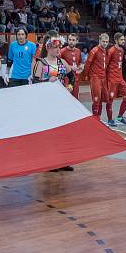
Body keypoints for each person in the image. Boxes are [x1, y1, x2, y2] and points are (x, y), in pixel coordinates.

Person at [32, 35, 76, 172]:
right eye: (55, 47)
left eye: (59, 47)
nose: (58, 49)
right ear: (48, 48)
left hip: (61, 101)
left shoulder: (62, 62)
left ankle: (63, 161)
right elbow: (34, 82)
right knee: (49, 132)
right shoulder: (41, 63)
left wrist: (70, 86)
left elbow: (71, 76)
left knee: (62, 131)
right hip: (46, 102)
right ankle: (49, 161)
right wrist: (46, 82)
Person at [106, 33, 126, 126]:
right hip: (112, 79)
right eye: (121, 40)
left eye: (123, 39)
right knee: (110, 100)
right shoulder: (111, 51)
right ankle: (109, 119)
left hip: (120, 78)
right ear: (116, 40)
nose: (123, 41)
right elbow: (106, 65)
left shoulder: (122, 50)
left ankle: (120, 116)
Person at [86, 33, 110, 121]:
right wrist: (88, 75)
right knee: (96, 99)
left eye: (106, 42)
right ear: (99, 40)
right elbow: (88, 63)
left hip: (103, 78)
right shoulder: (94, 50)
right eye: (103, 41)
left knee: (101, 99)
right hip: (95, 77)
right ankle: (95, 119)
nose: (105, 43)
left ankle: (98, 117)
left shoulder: (105, 51)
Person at [60, 33, 83, 99]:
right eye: (69, 39)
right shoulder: (62, 51)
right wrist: (70, 67)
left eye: (73, 40)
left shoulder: (78, 51)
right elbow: (58, 65)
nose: (71, 41)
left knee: (75, 98)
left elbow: (80, 63)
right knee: (67, 98)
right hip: (67, 79)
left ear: (76, 41)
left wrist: (81, 68)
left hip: (76, 79)